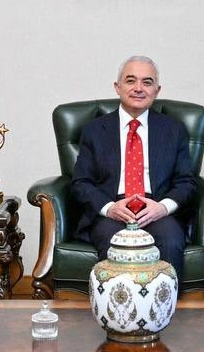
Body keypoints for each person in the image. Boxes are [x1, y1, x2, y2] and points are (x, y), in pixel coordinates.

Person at [71, 55, 196, 269]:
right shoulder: (95, 130)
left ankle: (166, 294)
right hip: (113, 210)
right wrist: (109, 208)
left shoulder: (174, 130)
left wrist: (162, 208)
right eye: (130, 81)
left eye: (147, 82)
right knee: (115, 242)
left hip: (156, 208)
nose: (138, 88)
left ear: (157, 90)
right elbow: (80, 182)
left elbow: (186, 182)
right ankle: (117, 294)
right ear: (117, 87)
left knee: (170, 239)